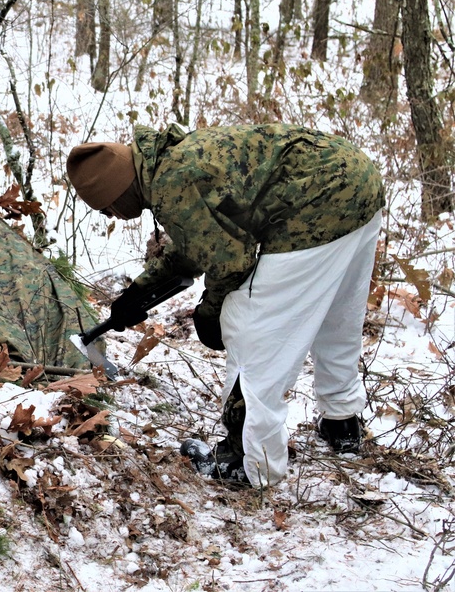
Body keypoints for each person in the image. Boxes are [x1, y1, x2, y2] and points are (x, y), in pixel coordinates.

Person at [66, 123, 384, 487]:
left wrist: (211, 311)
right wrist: (138, 292)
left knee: (247, 328)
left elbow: (231, 262)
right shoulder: (172, 160)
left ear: (118, 190)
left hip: (314, 209)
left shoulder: (172, 183)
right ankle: (342, 421)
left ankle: (249, 462)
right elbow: (200, 241)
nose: (111, 216)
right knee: (337, 317)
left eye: (107, 207)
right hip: (358, 183)